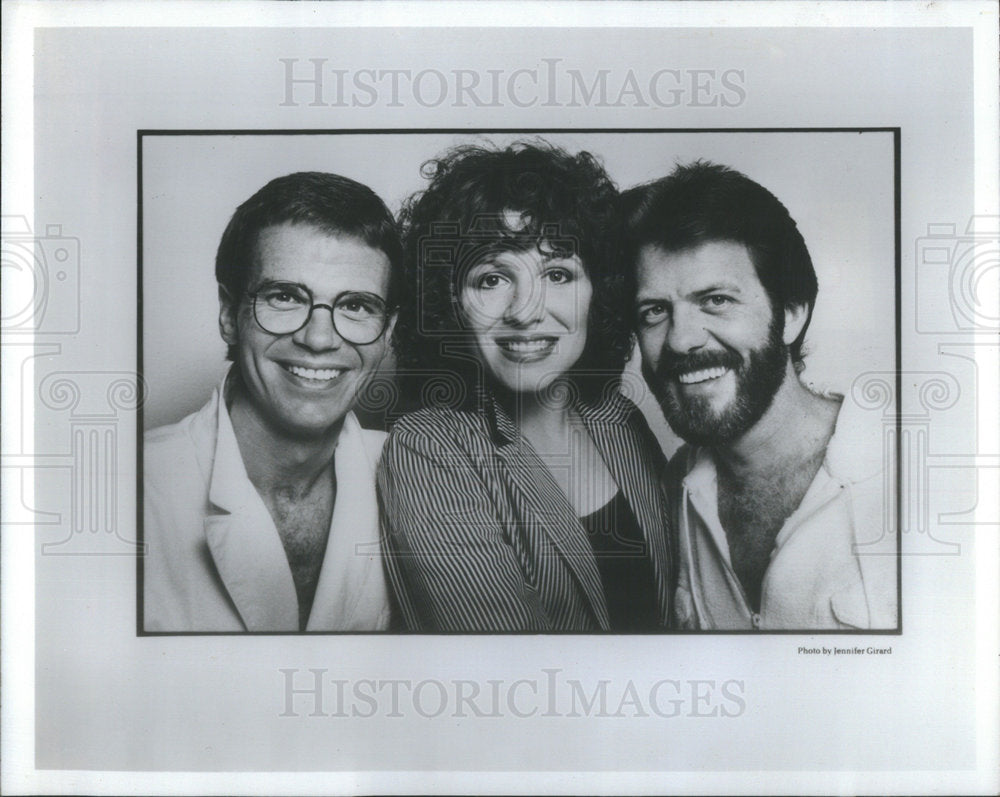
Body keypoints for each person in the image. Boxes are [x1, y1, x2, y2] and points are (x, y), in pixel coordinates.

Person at [377, 141, 675, 632]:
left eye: (558, 273)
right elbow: (514, 675)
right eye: (491, 279)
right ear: (449, 303)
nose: (525, 310)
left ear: (599, 292)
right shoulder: (428, 447)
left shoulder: (619, 418)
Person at [622, 160, 897, 630]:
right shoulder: (673, 489)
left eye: (716, 300)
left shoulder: (911, 476)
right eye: (655, 311)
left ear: (790, 315)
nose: (680, 339)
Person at [143, 172, 401, 632]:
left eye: (357, 306)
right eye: (285, 297)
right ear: (229, 315)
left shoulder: (418, 478)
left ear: (388, 334)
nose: (319, 338)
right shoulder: (131, 490)